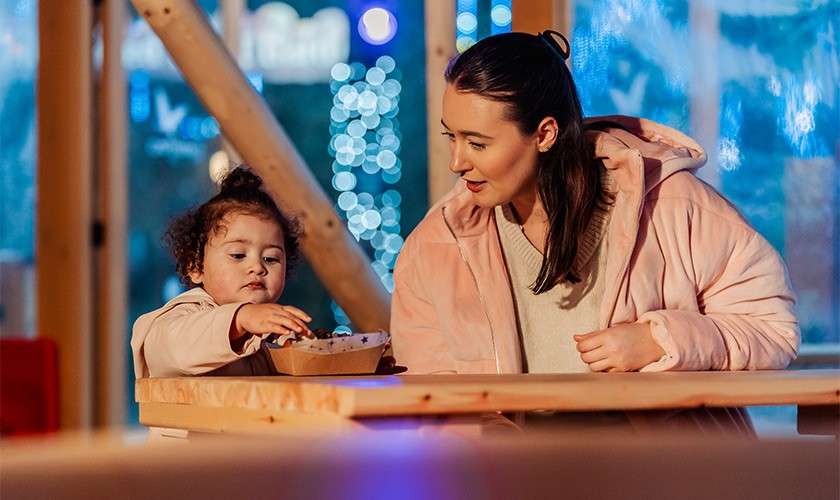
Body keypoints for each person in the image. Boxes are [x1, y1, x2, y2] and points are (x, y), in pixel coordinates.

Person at [390, 31, 799, 381]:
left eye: (478, 143)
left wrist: (663, 340)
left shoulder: (673, 207)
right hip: (508, 473)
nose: (457, 162)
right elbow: (430, 401)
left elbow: (773, 333)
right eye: (452, 137)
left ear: (545, 133)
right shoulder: (436, 247)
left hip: (666, 471)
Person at [131, 167, 312, 379]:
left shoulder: (272, 331)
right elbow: (169, 349)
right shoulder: (182, 316)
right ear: (196, 267)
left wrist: (302, 347)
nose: (257, 267)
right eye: (237, 255)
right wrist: (239, 319)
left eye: (271, 259)